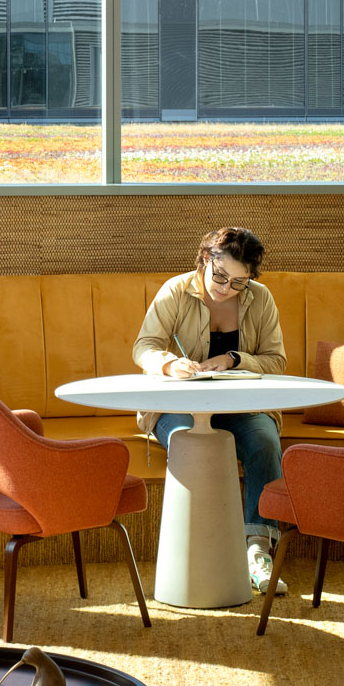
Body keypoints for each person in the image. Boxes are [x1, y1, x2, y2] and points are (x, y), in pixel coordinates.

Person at [132, 226, 287, 595]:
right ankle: (196, 552)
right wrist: (170, 365)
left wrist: (235, 359)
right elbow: (144, 347)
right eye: (220, 276)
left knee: (264, 441)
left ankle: (256, 554)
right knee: (193, 445)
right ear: (205, 258)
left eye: (238, 282)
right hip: (175, 406)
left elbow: (276, 361)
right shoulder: (176, 290)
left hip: (241, 408)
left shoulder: (260, 299)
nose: (226, 288)